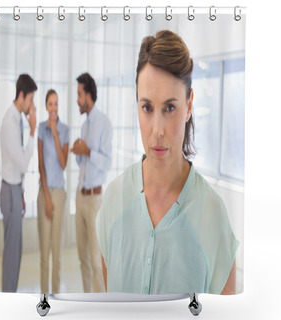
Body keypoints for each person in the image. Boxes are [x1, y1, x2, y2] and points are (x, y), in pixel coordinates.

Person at [96, 30, 239, 295]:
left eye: (170, 108)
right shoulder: (114, 199)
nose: (157, 130)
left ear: (189, 106)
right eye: (147, 108)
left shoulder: (212, 215)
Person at [70, 73, 113, 293]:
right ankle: (87, 304)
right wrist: (79, 151)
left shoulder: (104, 123)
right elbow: (83, 163)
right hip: (80, 196)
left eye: (79, 94)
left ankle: (100, 309)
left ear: (88, 95)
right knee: (83, 258)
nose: (77, 100)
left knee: (96, 261)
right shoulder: (84, 127)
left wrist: (86, 150)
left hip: (96, 200)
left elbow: (107, 162)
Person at [0, 74, 37, 292]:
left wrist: (22, 192)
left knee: (16, 250)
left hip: (15, 190)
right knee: (12, 253)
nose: (31, 105)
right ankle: (8, 300)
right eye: (31, 99)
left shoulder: (16, 119)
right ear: (21, 96)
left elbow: (17, 169)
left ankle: (10, 295)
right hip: (9, 191)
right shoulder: (9, 123)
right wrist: (33, 131)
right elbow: (22, 164)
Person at [37, 89, 69, 294]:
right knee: (44, 254)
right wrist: (47, 198)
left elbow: (63, 163)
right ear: (46, 106)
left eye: (56, 104)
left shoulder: (64, 130)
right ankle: (43, 299)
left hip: (60, 194)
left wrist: (55, 133)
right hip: (45, 194)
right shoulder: (41, 129)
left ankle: (56, 297)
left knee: (56, 253)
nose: (54, 108)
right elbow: (41, 165)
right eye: (50, 104)